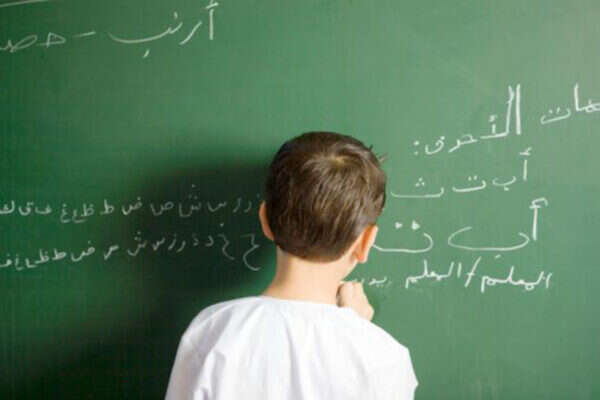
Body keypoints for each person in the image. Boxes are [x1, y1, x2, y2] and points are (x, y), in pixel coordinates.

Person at [165, 131, 418, 399]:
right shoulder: (386, 359)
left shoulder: (212, 333)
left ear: (265, 220)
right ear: (365, 242)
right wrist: (358, 331)